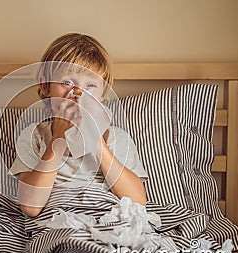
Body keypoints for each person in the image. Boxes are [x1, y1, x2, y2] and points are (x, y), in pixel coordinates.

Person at [9, 33, 148, 217]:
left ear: (102, 96)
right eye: (67, 82)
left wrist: (97, 142)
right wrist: (58, 139)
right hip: (59, 223)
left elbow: (138, 202)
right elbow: (31, 208)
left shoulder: (116, 138)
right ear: (45, 87)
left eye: (90, 85)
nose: (78, 93)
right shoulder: (35, 136)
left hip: (108, 220)